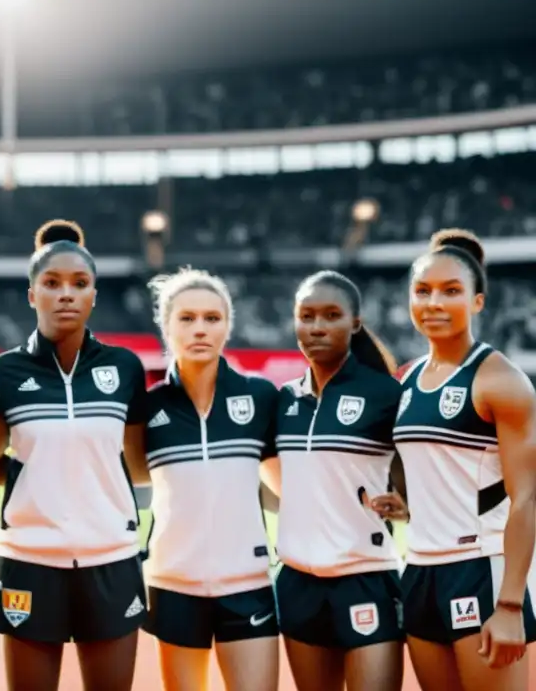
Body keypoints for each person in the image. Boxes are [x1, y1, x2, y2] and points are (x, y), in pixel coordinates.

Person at [0, 220, 149, 691]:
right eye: (51, 284)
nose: (66, 294)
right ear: (32, 295)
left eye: (79, 284)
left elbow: (135, 462)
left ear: (94, 294)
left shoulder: (125, 368)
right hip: (29, 559)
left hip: (112, 557)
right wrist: (30, 473)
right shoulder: (4, 371)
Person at [395, 229, 536, 691]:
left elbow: (526, 498)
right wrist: (408, 504)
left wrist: (511, 604)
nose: (434, 302)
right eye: (423, 291)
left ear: (477, 302)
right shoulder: (408, 378)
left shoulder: (501, 381)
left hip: (480, 569)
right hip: (418, 570)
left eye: (451, 291)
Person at [263, 270, 406, 691]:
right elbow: (277, 475)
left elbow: (427, 472)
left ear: (355, 323)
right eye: (306, 316)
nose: (317, 326)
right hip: (297, 583)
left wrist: (410, 506)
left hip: (366, 578)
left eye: (331, 315)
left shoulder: (385, 393)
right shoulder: (284, 399)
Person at [139, 268, 280, 691]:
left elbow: (289, 489)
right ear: (166, 326)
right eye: (186, 318)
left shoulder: (260, 397)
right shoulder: (147, 408)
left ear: (228, 325)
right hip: (171, 585)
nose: (200, 328)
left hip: (248, 583)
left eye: (212, 318)